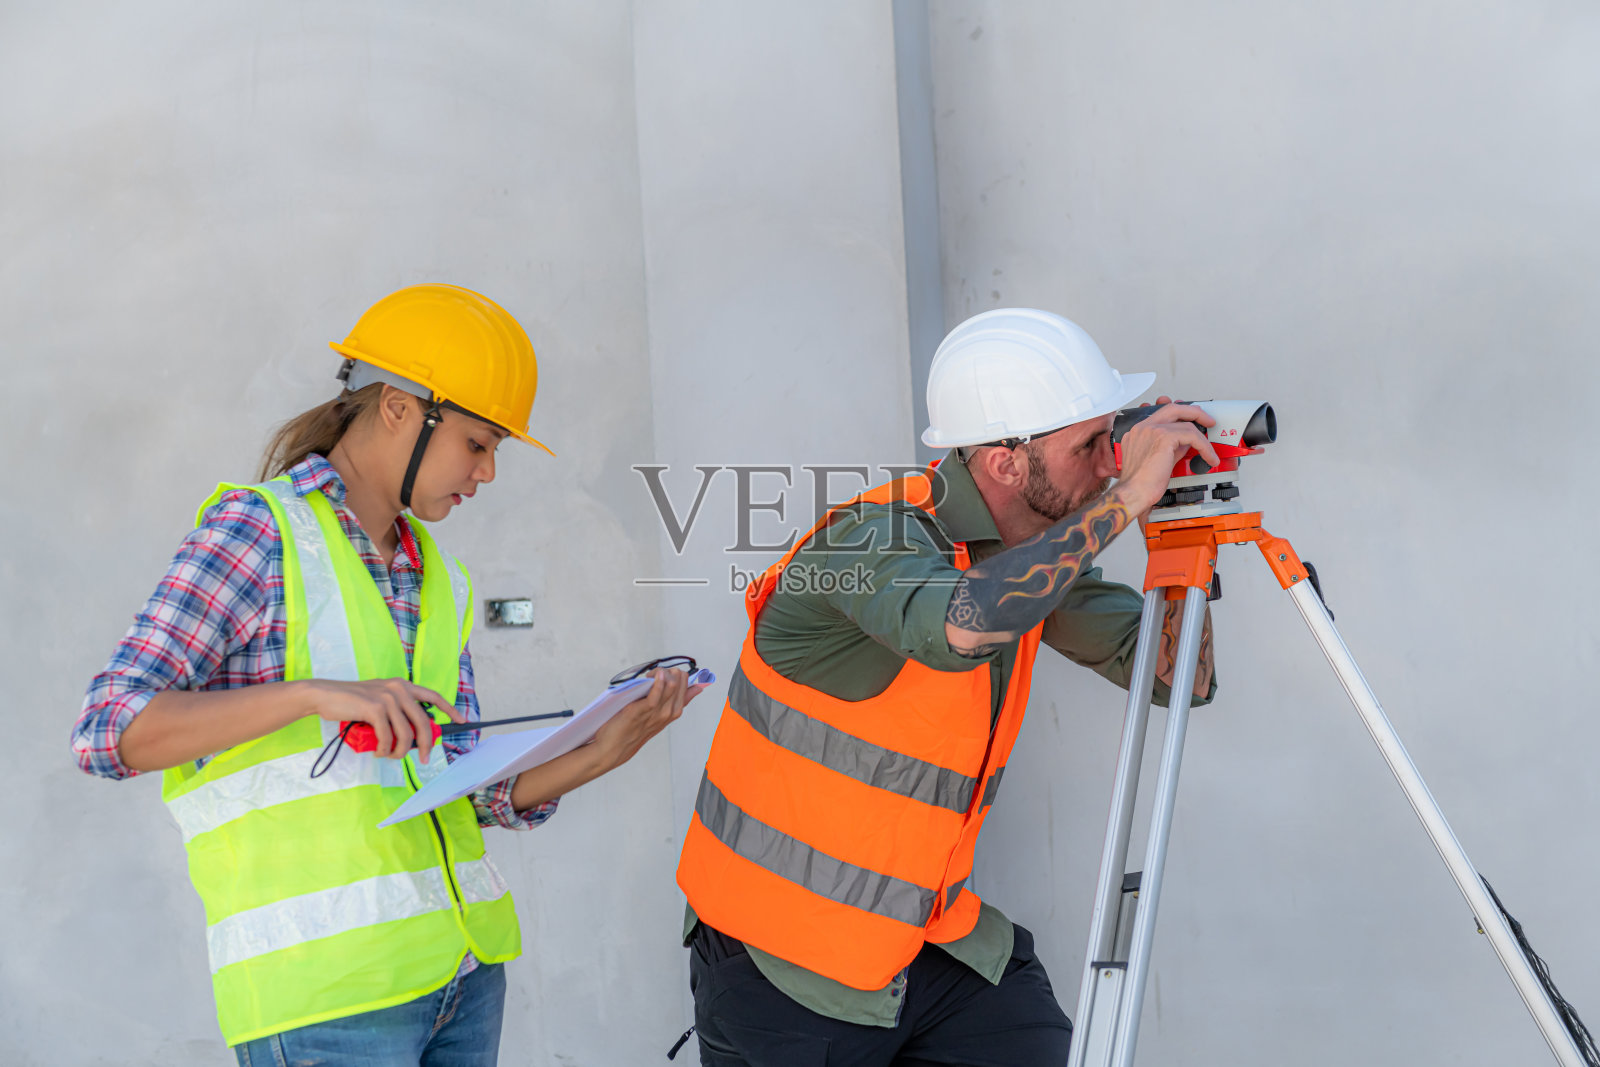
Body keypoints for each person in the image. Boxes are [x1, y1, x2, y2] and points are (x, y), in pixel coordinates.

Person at [71, 283, 701, 1066]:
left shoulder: (437, 574)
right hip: (326, 1001)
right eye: (477, 442)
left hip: (463, 980)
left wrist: (600, 753)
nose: (489, 470)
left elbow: (460, 787)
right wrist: (313, 694)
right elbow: (107, 733)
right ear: (401, 407)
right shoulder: (256, 533)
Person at [676, 308, 1220, 1066]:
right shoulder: (874, 539)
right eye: (1090, 444)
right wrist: (1120, 503)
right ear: (1004, 462)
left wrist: (1177, 537)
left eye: (1115, 438)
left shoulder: (1034, 559)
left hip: (925, 939)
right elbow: (961, 623)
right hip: (783, 964)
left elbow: (1178, 678)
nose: (1110, 463)